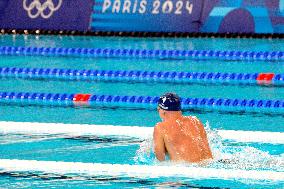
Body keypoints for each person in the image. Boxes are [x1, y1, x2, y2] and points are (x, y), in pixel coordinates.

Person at [153, 92, 213, 163]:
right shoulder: (195, 121)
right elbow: (208, 155)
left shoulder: (160, 127)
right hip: (206, 165)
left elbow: (160, 159)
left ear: (163, 111)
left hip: (185, 170)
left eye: (158, 109)